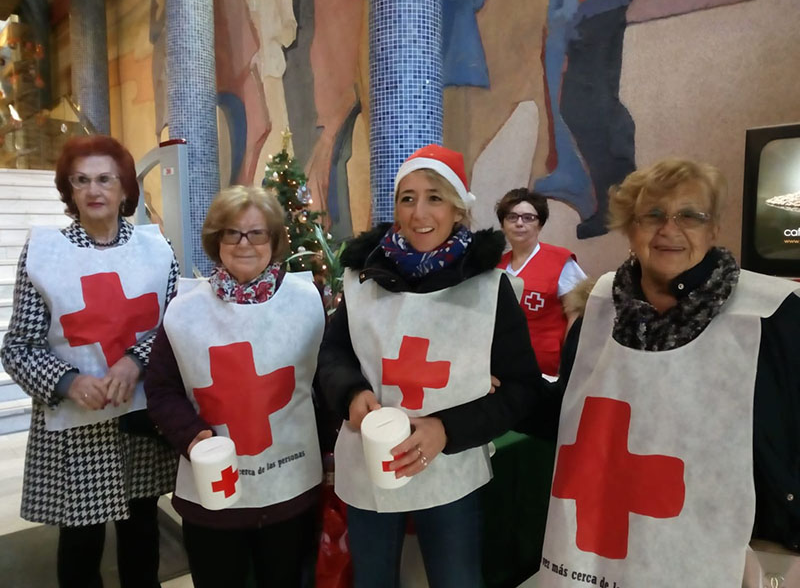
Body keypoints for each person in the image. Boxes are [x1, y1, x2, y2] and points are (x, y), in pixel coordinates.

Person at [537, 158, 800, 587]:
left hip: (738, 546)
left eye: (690, 216)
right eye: (653, 214)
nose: (669, 229)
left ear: (714, 229)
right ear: (631, 228)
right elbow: (569, 418)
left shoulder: (773, 315)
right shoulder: (597, 312)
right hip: (611, 543)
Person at [318, 144, 557, 588]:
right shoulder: (363, 279)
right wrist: (350, 392)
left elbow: (522, 388)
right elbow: (333, 354)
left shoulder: (489, 289)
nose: (419, 213)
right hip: (370, 458)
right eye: (407, 198)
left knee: (456, 579)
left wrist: (447, 428)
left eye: (435, 197)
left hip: (452, 465)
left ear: (458, 209)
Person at [0, 135, 179, 588]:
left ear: (124, 189)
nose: (94, 190)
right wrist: (68, 381)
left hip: (141, 417)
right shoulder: (44, 255)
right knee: (80, 548)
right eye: (81, 181)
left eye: (105, 179)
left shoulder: (157, 250)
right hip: (78, 426)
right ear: (69, 190)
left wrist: (135, 360)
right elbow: (18, 346)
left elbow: (177, 326)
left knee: (142, 535)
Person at [144, 185, 325, 588]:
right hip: (214, 492)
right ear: (217, 239)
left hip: (289, 487)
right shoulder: (185, 310)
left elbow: (327, 378)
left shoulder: (305, 301)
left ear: (274, 240)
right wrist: (192, 436)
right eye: (232, 232)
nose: (244, 243)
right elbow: (161, 389)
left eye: (257, 233)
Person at [496, 188, 587, 376]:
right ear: (503, 225)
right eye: (512, 217)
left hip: (546, 369)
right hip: (502, 367)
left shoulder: (560, 261)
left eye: (528, 218)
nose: (519, 223)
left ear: (540, 224)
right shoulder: (496, 266)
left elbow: (576, 316)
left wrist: (568, 364)